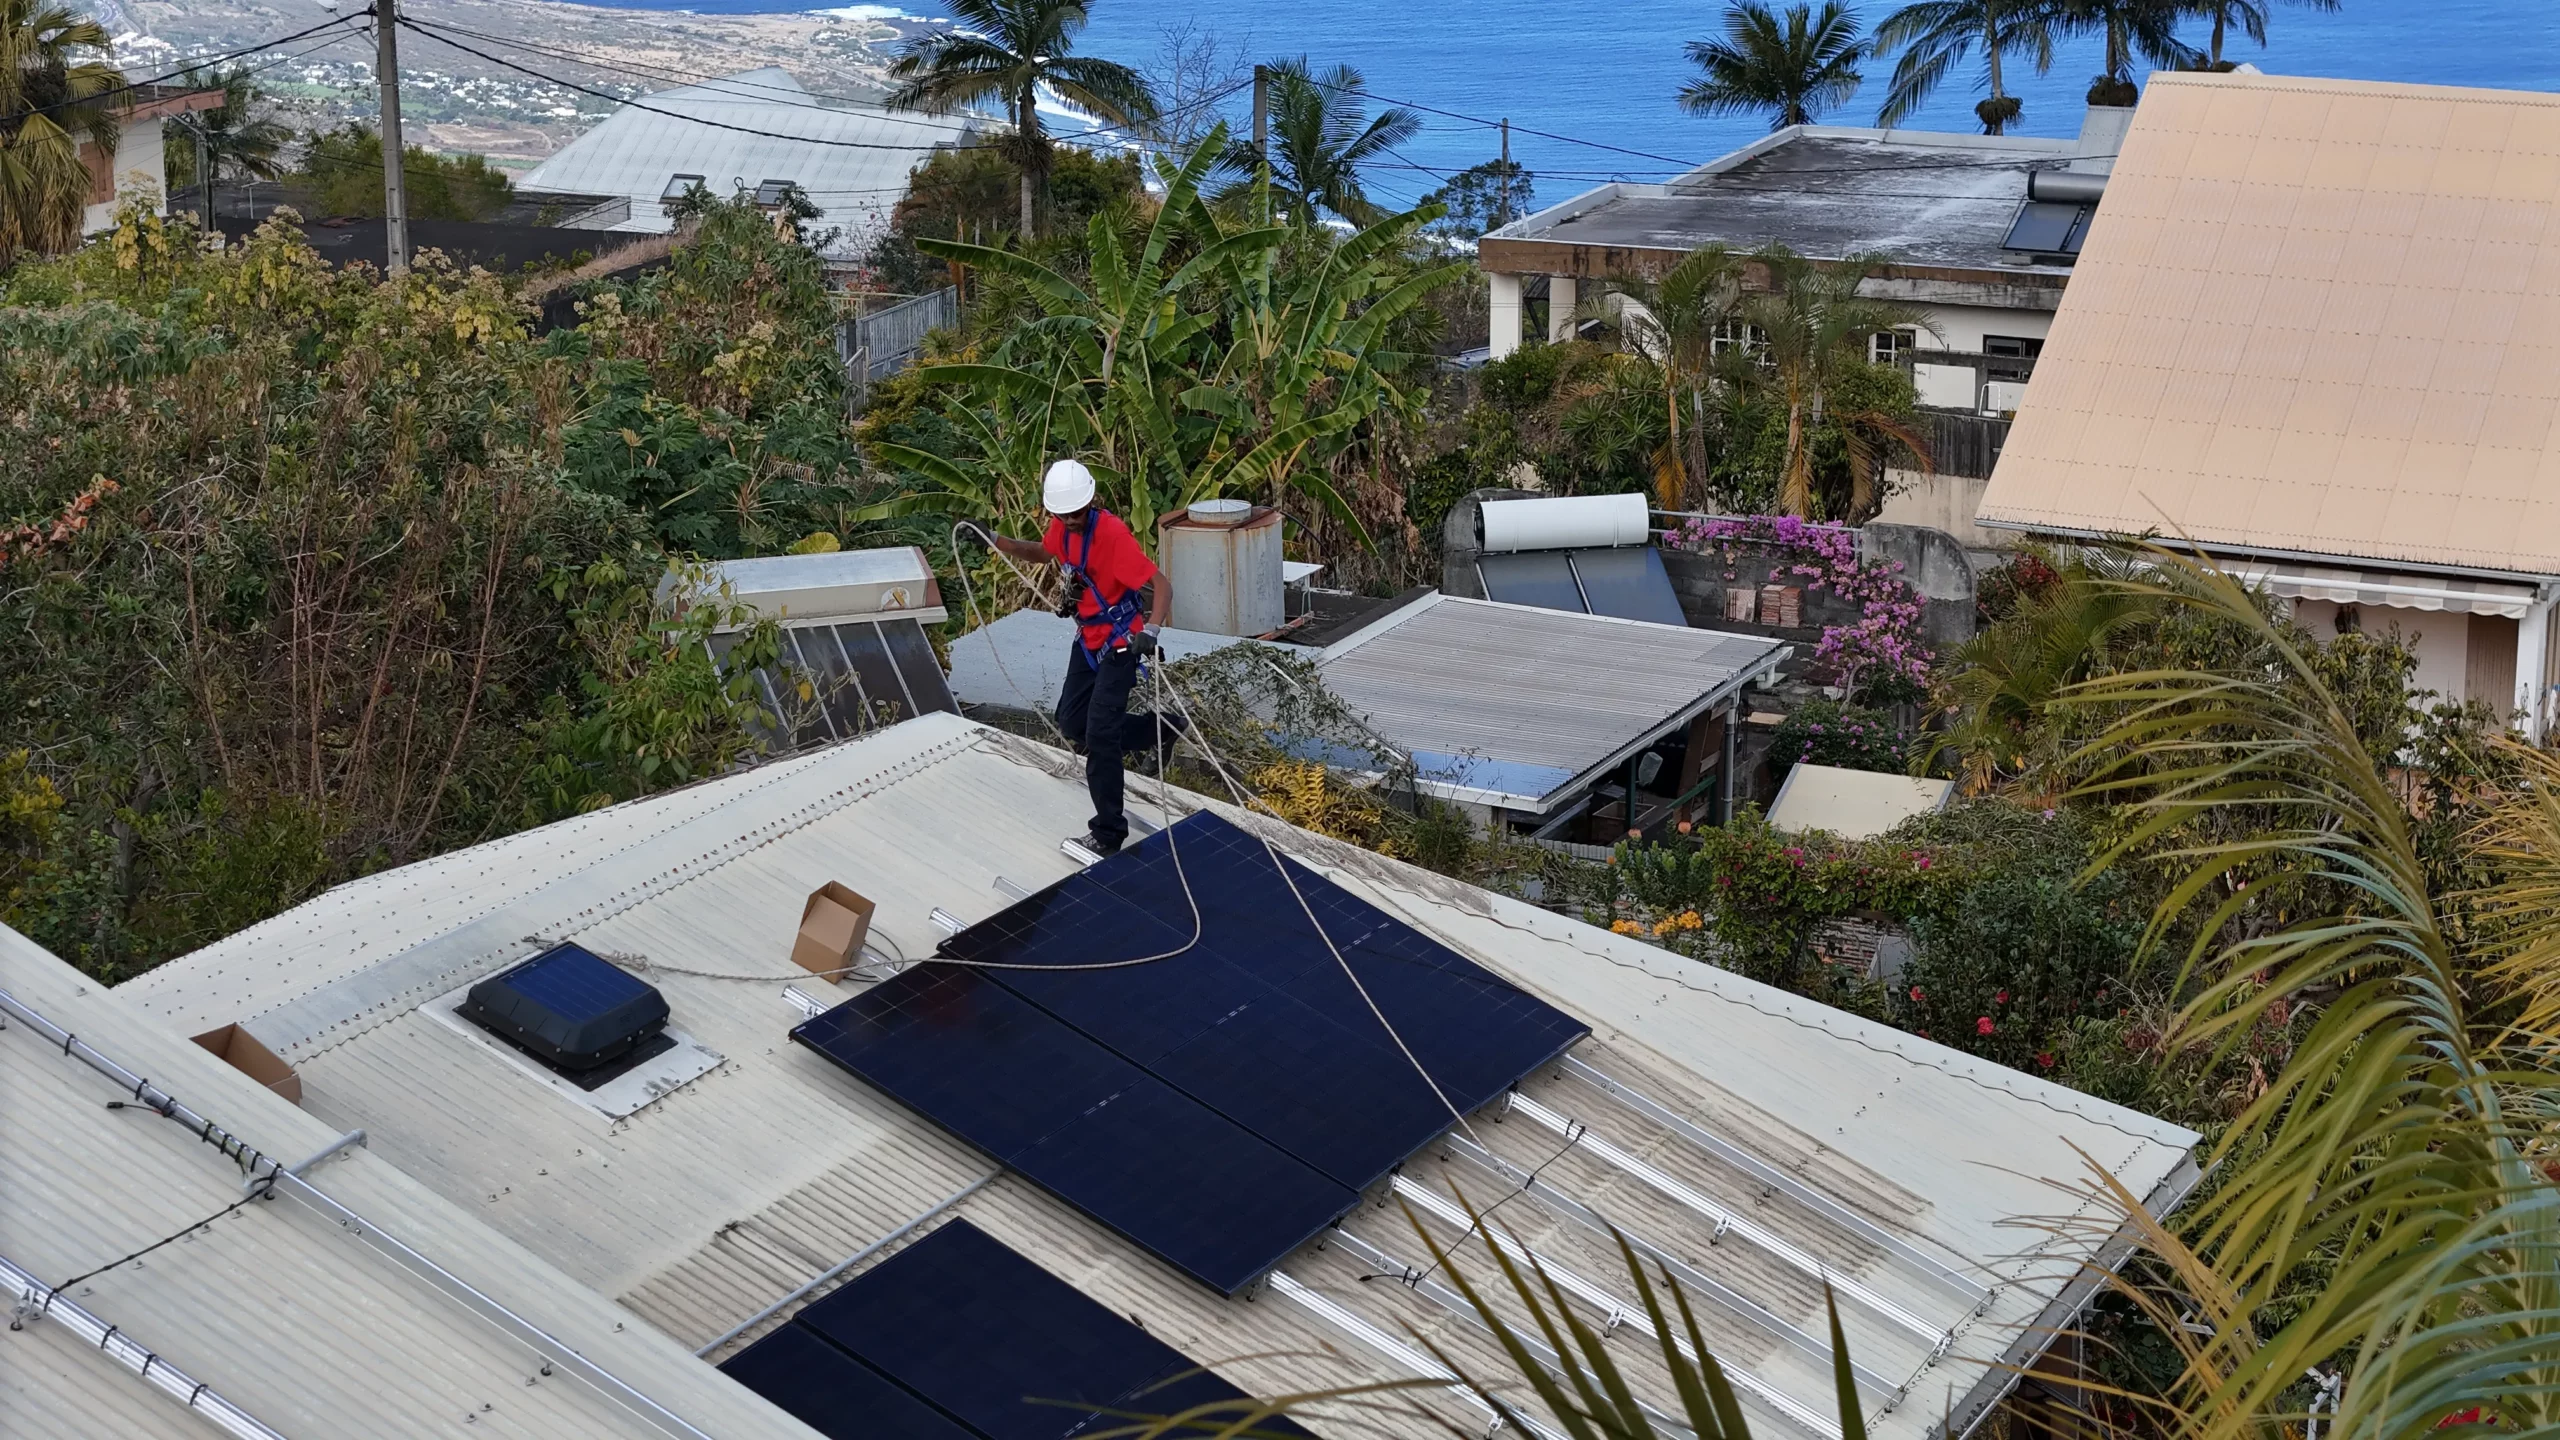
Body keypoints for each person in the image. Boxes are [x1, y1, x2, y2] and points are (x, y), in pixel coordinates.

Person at [985, 459, 1180, 855]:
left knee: (1101, 735)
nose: (1071, 520)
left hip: (1122, 642)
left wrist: (1152, 630)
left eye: (1076, 512)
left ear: (1090, 502)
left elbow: (1161, 585)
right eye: (1064, 514)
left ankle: (1108, 834)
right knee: (1072, 721)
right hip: (1089, 638)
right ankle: (1160, 731)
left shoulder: (1112, 534)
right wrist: (996, 540)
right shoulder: (1062, 526)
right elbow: (1043, 552)